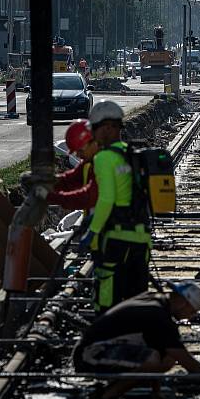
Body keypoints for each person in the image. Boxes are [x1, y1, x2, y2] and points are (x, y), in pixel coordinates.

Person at [73, 282, 200, 399]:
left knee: (166, 359)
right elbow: (189, 363)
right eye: (192, 311)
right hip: (90, 354)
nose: (191, 317)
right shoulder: (158, 315)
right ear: (183, 303)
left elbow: (158, 347)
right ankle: (106, 397)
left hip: (104, 349)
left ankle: (113, 388)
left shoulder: (157, 302)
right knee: (153, 359)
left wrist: (156, 392)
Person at [84, 100, 151, 312]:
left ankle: (108, 337)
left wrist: (92, 231)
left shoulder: (104, 157)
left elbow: (107, 199)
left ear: (107, 128)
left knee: (107, 297)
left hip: (116, 239)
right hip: (141, 237)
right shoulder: (130, 154)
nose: (93, 134)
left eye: (95, 129)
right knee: (136, 297)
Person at [47, 119, 99, 213]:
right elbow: (70, 180)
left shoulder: (105, 162)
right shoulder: (89, 162)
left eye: (80, 151)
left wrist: (50, 196)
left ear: (93, 142)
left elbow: (87, 198)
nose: (78, 155)